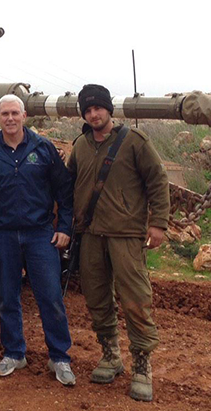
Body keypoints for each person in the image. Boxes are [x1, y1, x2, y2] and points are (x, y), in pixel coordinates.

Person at [67, 84, 169, 402]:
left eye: (98, 108)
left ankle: (142, 366)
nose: (93, 114)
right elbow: (69, 183)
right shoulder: (80, 145)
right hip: (90, 234)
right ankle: (111, 355)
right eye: (88, 110)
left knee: (135, 299)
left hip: (126, 233)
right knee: (97, 298)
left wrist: (158, 223)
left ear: (109, 109)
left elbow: (157, 180)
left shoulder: (134, 141)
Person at [0, 94, 76, 386]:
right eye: (4, 114)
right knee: (8, 298)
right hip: (3, 234)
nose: (10, 118)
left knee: (50, 297)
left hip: (39, 233)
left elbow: (64, 191)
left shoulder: (43, 148)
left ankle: (59, 357)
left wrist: (64, 227)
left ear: (24, 116)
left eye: (14, 113)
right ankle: (14, 353)